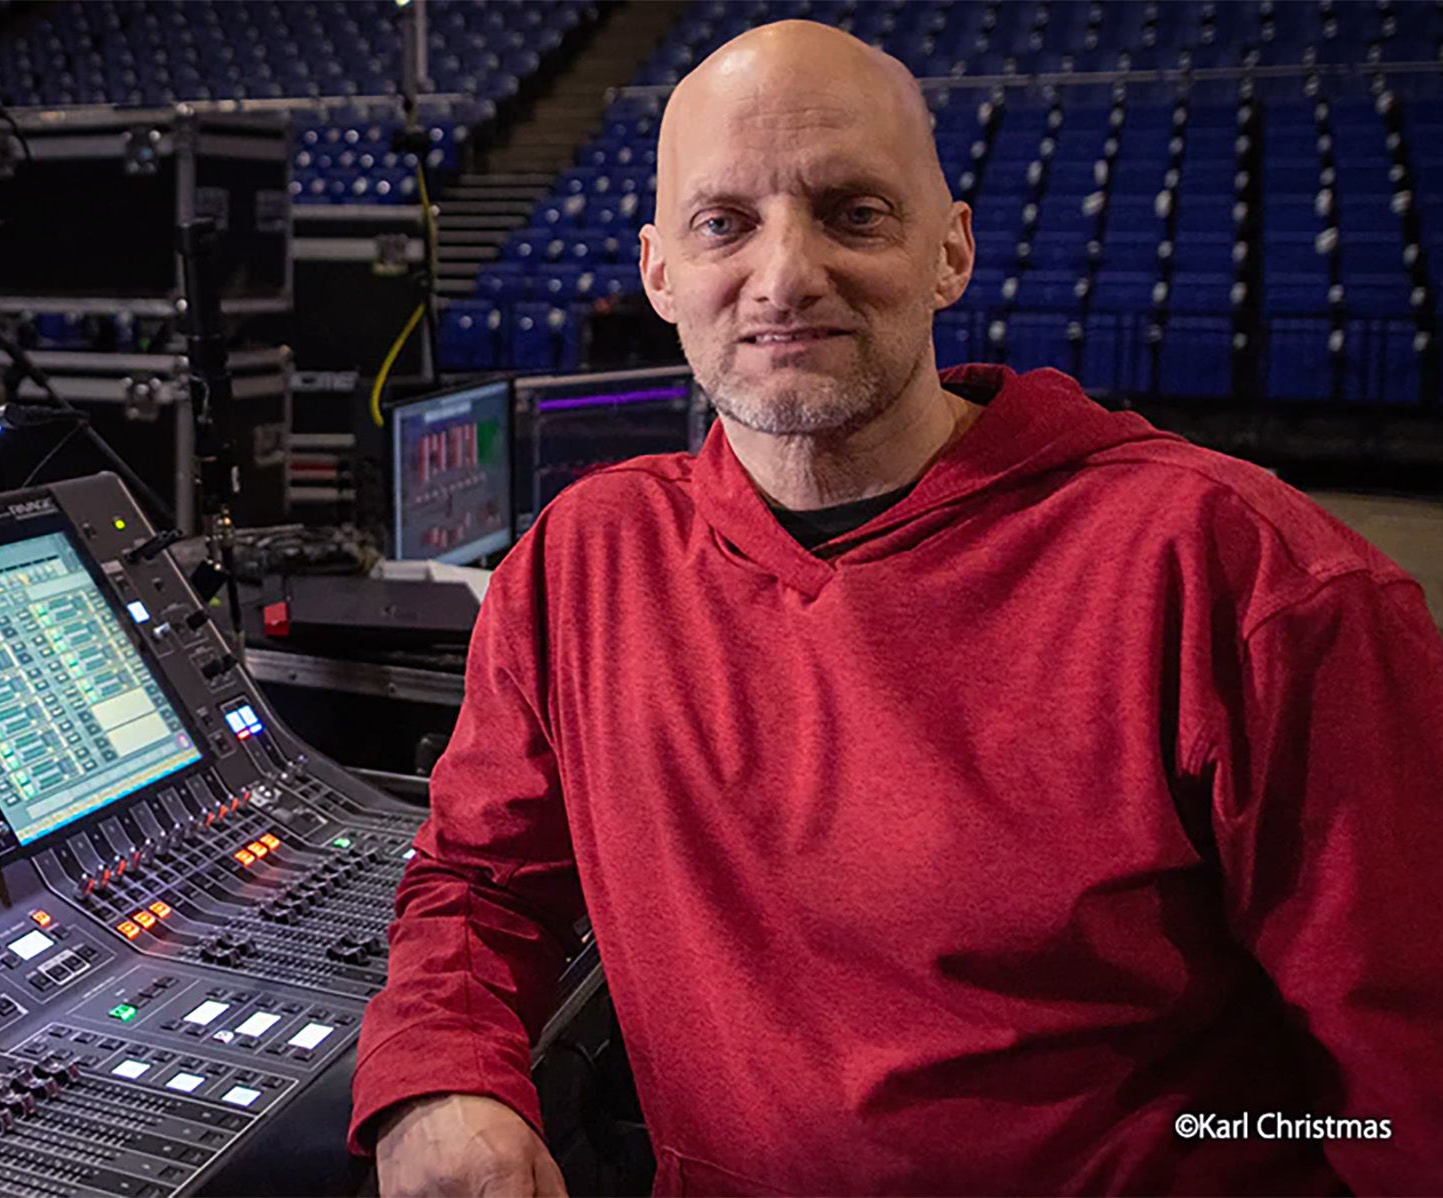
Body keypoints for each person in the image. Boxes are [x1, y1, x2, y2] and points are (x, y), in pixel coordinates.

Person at [351, 19, 1443, 1196]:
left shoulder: (1250, 578)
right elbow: (479, 883)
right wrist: (439, 1077)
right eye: (726, 224)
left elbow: (1406, 1090)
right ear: (659, 271)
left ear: (949, 252)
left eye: (852, 213)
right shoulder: (580, 561)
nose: (784, 276)